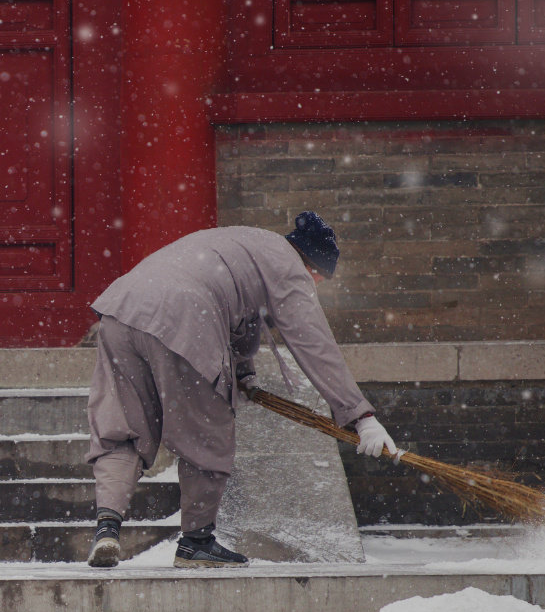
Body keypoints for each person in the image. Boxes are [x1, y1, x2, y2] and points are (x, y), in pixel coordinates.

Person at [86, 212, 398, 568]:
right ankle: (196, 542)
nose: (315, 287)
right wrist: (361, 416)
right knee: (207, 432)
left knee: (124, 427)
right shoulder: (288, 266)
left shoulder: (248, 242)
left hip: (120, 311)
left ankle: (107, 528)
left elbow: (241, 317)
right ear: (311, 265)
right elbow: (314, 343)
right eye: (318, 279)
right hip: (184, 317)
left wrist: (245, 374)